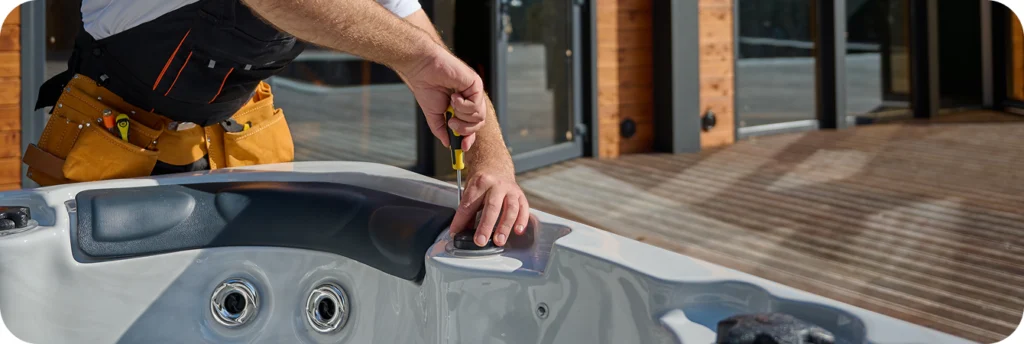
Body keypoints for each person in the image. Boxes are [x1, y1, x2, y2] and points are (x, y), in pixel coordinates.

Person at [22, 0, 530, 247]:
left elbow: (424, 42)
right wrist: (414, 58)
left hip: (236, 141)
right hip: (113, 142)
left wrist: (491, 159)